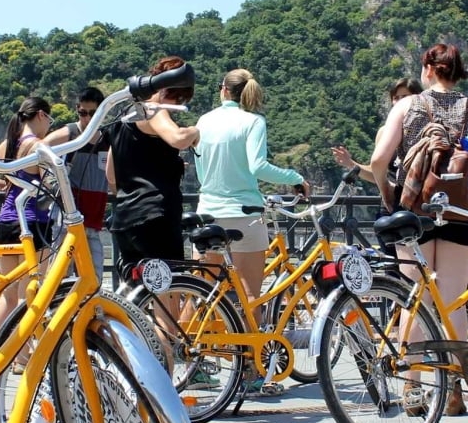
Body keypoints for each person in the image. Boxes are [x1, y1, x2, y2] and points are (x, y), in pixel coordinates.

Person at [370, 44, 468, 416]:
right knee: (453, 299)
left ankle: (413, 389)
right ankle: (455, 389)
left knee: (415, 297)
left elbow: (380, 160)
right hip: (461, 211)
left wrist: (388, 192)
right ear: (458, 71)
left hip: (414, 213)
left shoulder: (407, 106)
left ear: (428, 68)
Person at [195, 70, 310, 302]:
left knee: (201, 293)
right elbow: (258, 167)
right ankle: (247, 339)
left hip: (207, 213)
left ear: (224, 90)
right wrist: (295, 178)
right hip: (243, 215)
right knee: (249, 297)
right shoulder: (254, 121)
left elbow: (201, 172)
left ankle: (189, 338)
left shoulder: (203, 121)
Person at [106, 57, 199, 280]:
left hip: (125, 219)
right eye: (180, 97)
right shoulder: (154, 110)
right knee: (168, 292)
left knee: (138, 294)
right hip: (156, 216)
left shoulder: (125, 116)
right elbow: (177, 138)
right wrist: (194, 132)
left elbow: (110, 173)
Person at [0, 96, 55, 336]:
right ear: (41, 115)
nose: (49, 125)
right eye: (49, 119)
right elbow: (49, 185)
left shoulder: (7, 145)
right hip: (33, 222)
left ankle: (1, 351)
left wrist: (6, 185)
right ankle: (23, 356)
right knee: (29, 291)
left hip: (6, 222)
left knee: (8, 295)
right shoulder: (39, 147)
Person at [43, 87, 112, 280]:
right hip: (67, 216)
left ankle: (88, 310)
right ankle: (55, 309)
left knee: (93, 277)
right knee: (60, 274)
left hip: (93, 217)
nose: (87, 118)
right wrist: (51, 179)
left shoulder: (108, 138)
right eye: (82, 113)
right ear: (77, 110)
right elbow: (41, 147)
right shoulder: (72, 133)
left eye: (92, 113)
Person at [331, 77, 422, 185]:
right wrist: (350, 163)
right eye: (396, 98)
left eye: (405, 96)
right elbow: (376, 175)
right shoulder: (384, 133)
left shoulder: (428, 130)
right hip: (394, 198)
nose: (399, 101)